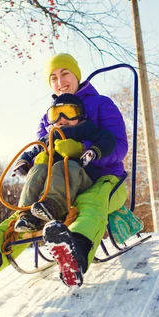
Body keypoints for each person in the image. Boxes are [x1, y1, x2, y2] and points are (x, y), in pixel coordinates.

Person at [0, 53, 128, 294]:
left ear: (76, 74)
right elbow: (40, 147)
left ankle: (74, 252)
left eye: (65, 73)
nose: (60, 81)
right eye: (53, 77)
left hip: (103, 180)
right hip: (59, 184)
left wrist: (86, 150)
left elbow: (118, 144)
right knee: (20, 220)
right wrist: (28, 161)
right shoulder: (48, 115)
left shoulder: (101, 104)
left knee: (90, 202)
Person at [13, 92, 116, 233]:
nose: (62, 119)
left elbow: (108, 139)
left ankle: (54, 205)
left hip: (80, 179)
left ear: (79, 115)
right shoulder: (49, 137)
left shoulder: (86, 129)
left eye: (69, 112)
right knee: (38, 170)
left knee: (64, 165)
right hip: (51, 183)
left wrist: (92, 151)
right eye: (55, 114)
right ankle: (26, 214)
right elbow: (32, 151)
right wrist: (23, 162)